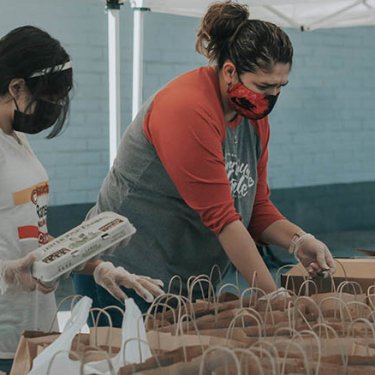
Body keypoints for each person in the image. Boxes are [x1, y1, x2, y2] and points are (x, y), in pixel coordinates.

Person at [74, 1, 336, 326]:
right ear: (229, 72)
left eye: (280, 87)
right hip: (124, 274)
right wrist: (274, 296)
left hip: (184, 281)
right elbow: (223, 219)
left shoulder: (252, 118)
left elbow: (255, 205)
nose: (271, 98)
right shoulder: (187, 110)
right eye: (263, 86)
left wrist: (299, 240)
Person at [0, 26, 163, 375]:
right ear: (16, 87)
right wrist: (6, 273)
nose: (52, 110)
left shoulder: (15, 140)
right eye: (49, 100)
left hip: (34, 329)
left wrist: (93, 264)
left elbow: (30, 236)